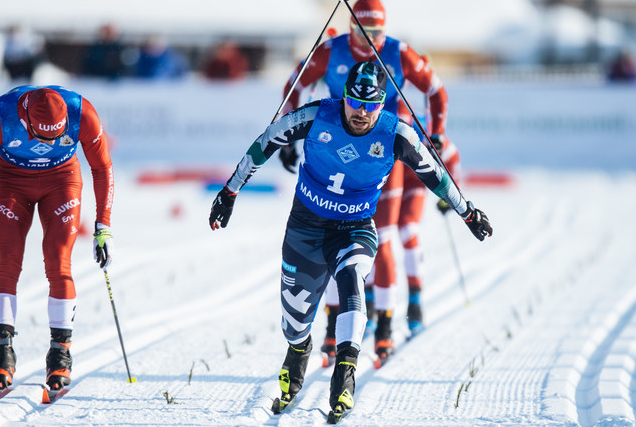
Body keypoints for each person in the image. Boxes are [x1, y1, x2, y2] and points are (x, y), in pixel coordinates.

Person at [208, 61, 491, 422]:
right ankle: (298, 350)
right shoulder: (316, 116)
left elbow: (436, 174)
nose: (361, 112)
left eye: (371, 105)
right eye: (354, 102)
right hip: (305, 228)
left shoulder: (396, 134)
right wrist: (230, 192)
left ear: (382, 104)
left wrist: (468, 212)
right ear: (343, 97)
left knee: (352, 279)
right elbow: (264, 143)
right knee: (293, 323)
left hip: (355, 227)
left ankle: (345, 372)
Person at [278, 0, 460, 366]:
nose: (367, 39)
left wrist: (437, 134)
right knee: (329, 237)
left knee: (388, 235)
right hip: (331, 154)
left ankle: (386, 325)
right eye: (361, 31)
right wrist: (289, 135)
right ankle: (332, 328)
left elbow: (436, 90)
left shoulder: (399, 52)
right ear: (349, 27)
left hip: (380, 157)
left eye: (375, 31)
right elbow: (295, 85)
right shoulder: (331, 51)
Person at [0, 86, 115, 392]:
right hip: (12, 182)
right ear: (25, 120)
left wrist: (104, 226)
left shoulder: (82, 112)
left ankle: (60, 354)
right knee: (7, 261)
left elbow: (102, 167)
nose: (49, 143)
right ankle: (2, 351)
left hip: (62, 180)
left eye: (57, 137)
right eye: (43, 138)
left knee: (58, 258)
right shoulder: (0, 115)